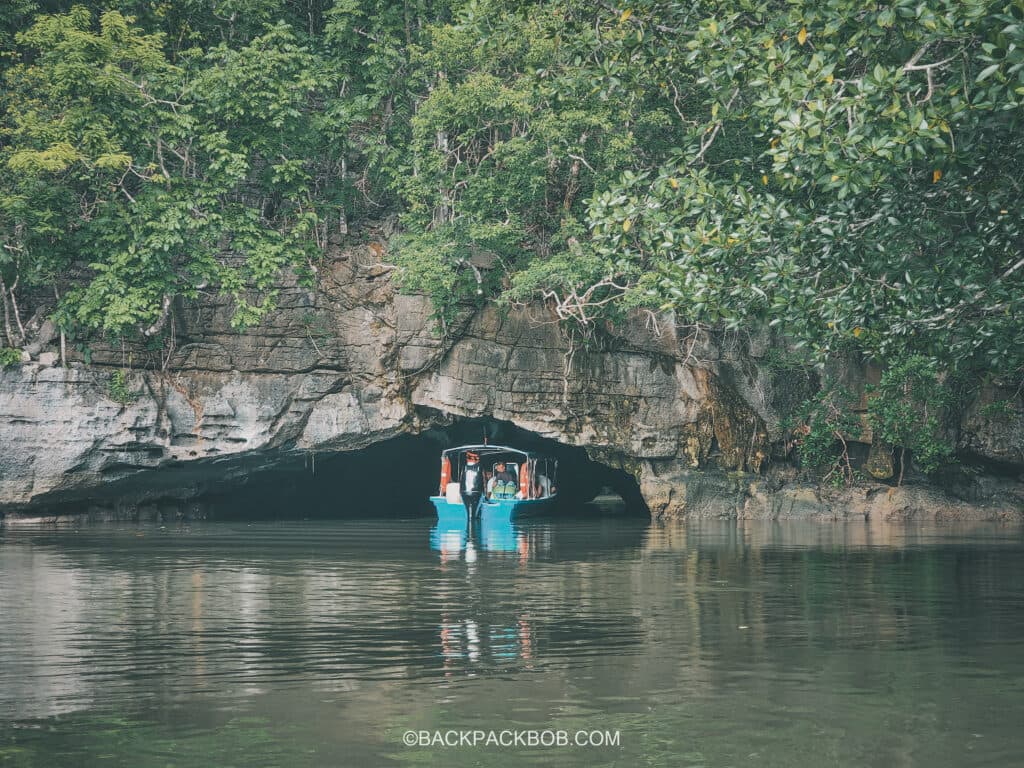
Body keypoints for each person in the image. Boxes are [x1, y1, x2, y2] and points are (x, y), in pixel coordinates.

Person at [461, 452, 484, 518]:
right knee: (474, 511)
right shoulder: (480, 467)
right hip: (477, 492)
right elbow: (484, 481)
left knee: (470, 512)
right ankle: (473, 517)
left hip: (464, 491)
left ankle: (470, 518)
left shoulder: (464, 467)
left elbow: (461, 479)